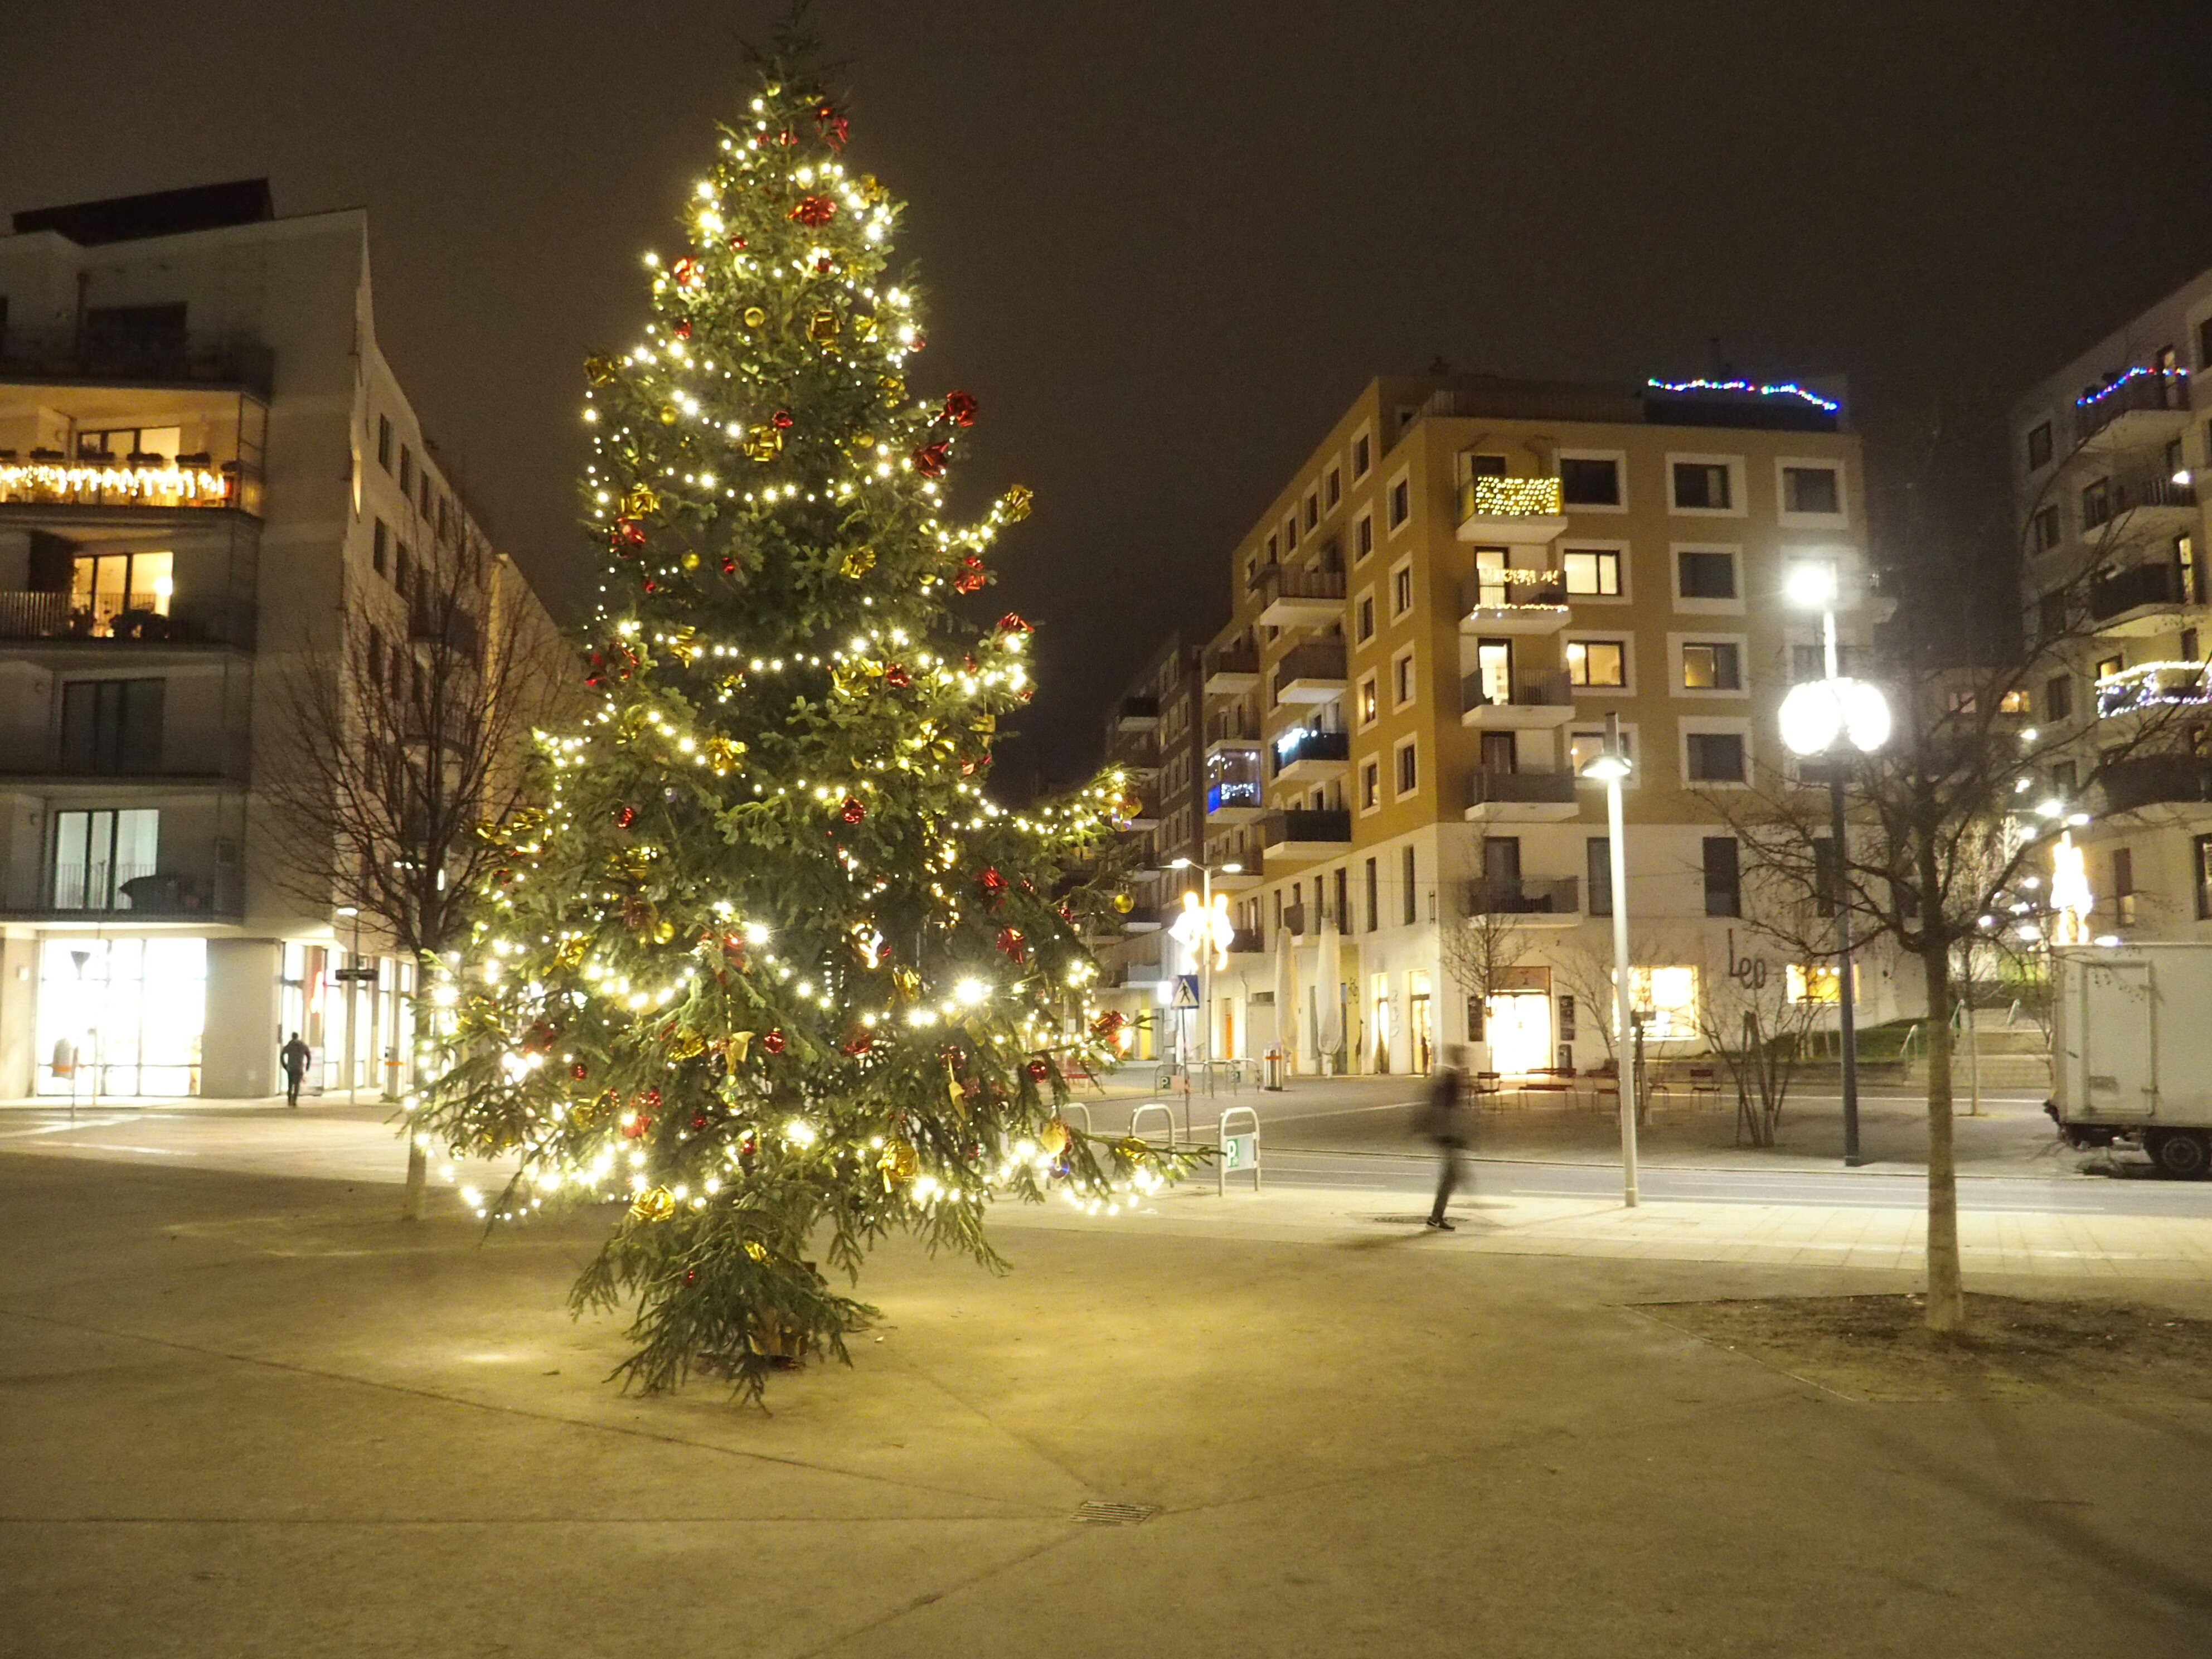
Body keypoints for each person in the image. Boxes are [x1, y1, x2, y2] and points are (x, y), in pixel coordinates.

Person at [1421, 1046, 1469, 1230]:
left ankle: (1436, 1216)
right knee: (1451, 1176)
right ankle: (1436, 1216)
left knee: (1451, 1177)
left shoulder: (1449, 1078)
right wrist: (1453, 1136)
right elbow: (1448, 1112)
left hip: (1446, 1135)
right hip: (1447, 1136)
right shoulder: (1451, 1079)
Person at [279, 1032, 312, 1107]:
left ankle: (289, 1100)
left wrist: (285, 1065)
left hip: (291, 1068)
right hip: (299, 1067)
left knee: (290, 1085)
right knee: (297, 1085)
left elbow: (282, 1055)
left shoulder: (289, 1045)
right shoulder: (302, 1045)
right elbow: (309, 1056)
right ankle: (294, 1100)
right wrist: (307, 1066)